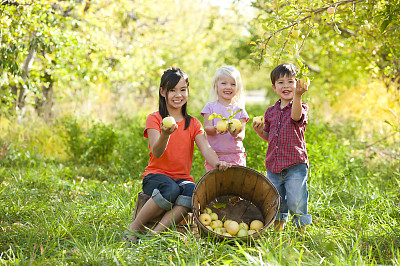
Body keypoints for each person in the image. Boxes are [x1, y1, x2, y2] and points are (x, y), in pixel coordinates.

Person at [124, 67, 231, 242]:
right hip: (155, 177)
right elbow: (157, 153)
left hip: (182, 178)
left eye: (182, 89)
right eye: (172, 90)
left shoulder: (193, 123)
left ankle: (154, 235)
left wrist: (218, 163)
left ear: (188, 91)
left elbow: (206, 149)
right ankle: (133, 228)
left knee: (192, 192)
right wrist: (165, 134)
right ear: (162, 92)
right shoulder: (155, 119)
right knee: (171, 189)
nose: (178, 95)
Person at [253, 63, 312, 232]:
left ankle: (302, 234)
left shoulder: (301, 106)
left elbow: (296, 116)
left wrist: (298, 96)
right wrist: (259, 131)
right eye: (281, 82)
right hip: (274, 165)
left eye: (290, 82)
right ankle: (278, 233)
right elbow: (268, 137)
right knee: (276, 200)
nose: (286, 86)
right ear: (274, 87)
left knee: (297, 200)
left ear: (298, 84)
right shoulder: (270, 112)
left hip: (294, 164)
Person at [201, 66, 249, 172]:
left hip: (235, 156)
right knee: (216, 185)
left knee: (237, 185)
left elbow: (242, 136)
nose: (228, 87)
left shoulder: (239, 110)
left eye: (233, 84)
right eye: (224, 83)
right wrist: (215, 128)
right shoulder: (209, 108)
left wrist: (235, 134)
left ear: (238, 87)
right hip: (215, 156)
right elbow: (207, 129)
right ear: (216, 86)